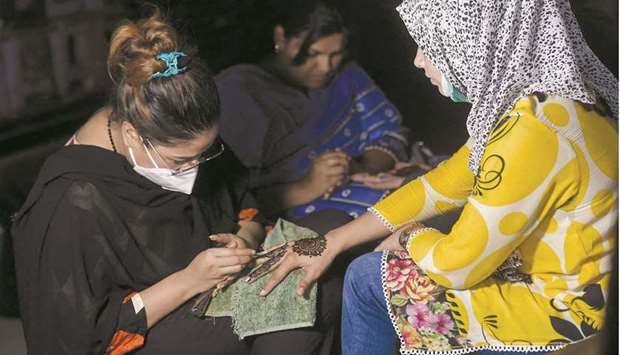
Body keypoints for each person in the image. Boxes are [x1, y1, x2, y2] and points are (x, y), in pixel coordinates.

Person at [248, 0, 618, 354]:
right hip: (592, 290)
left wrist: (409, 236)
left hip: (573, 319)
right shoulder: (557, 100)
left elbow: (456, 267)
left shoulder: (529, 132)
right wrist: (334, 241)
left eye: (429, 44)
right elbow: (443, 184)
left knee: (367, 278)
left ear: (477, 43)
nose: (418, 59)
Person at [11, 11, 344, 355]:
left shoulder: (183, 133)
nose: (196, 170)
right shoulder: (72, 199)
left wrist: (244, 239)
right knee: (280, 308)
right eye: (181, 161)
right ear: (132, 135)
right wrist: (190, 280)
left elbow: (244, 203)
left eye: (206, 153)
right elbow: (82, 336)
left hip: (208, 284)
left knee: (326, 244)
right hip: (137, 331)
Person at [216, 0, 410, 219]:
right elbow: (230, 196)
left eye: (336, 54)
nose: (326, 67)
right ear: (281, 38)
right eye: (313, 53)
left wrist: (356, 166)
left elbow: (391, 133)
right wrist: (306, 187)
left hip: (369, 183)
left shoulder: (346, 76)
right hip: (299, 217)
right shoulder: (239, 91)